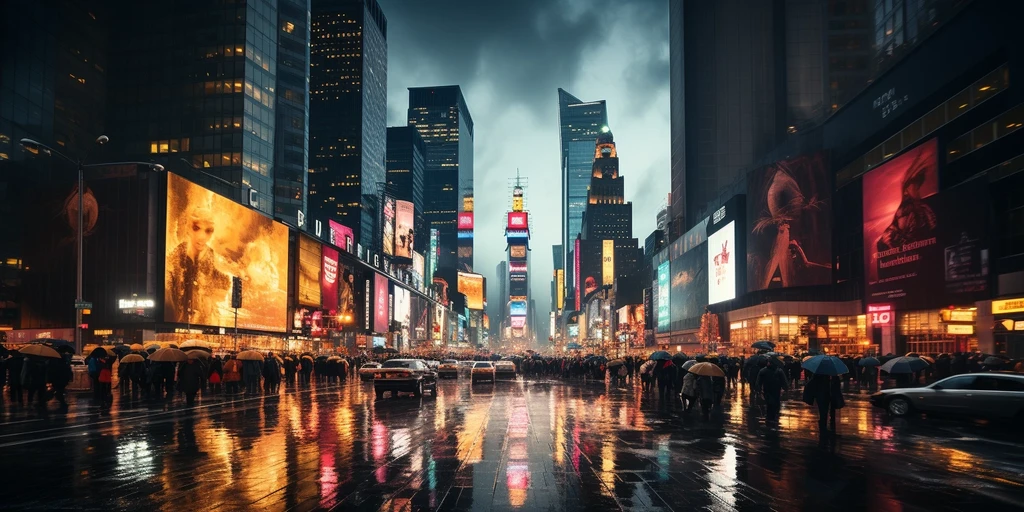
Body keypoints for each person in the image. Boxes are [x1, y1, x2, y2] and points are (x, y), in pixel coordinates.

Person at [755, 361, 789, 426]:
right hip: (776, 389)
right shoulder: (779, 371)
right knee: (776, 402)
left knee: (769, 403)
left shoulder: (763, 370)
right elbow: (784, 381)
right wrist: (785, 388)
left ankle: (769, 417)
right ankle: (774, 416)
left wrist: (758, 390)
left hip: (767, 389)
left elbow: (758, 382)